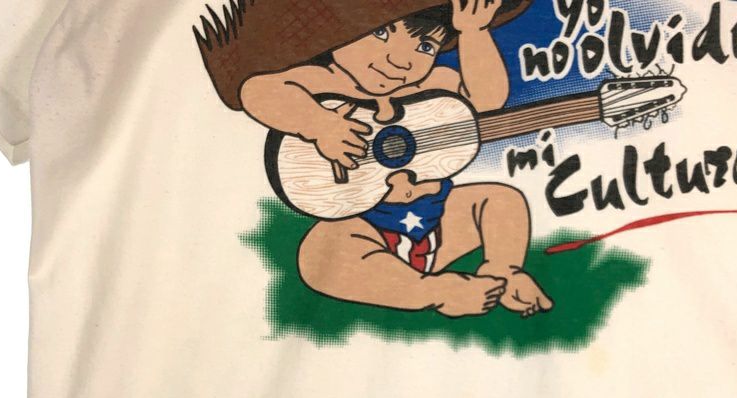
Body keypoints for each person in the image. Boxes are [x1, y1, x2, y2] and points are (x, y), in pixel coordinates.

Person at [198, 0, 553, 318]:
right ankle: (431, 292)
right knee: (320, 254)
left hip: (440, 220)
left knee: (501, 201)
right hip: (364, 226)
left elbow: (488, 101)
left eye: (425, 46)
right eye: (382, 33)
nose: (401, 60)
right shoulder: (320, 81)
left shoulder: (434, 83)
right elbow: (257, 90)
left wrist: (474, 32)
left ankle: (501, 274)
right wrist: (319, 124)